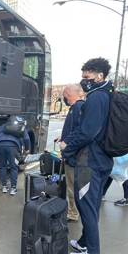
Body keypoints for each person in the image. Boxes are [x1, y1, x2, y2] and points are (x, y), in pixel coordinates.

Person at [59, 58, 114, 254]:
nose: (84, 82)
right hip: (103, 160)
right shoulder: (109, 94)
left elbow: (87, 132)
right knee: (92, 204)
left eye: (87, 77)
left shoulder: (96, 97)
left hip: (90, 162)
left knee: (86, 206)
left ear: (99, 76)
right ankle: (83, 243)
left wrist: (68, 148)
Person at [54, 83, 84, 223]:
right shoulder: (76, 108)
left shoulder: (78, 107)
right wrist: (63, 137)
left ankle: (73, 213)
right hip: (73, 154)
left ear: (67, 94)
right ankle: (73, 210)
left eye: (64, 95)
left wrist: (66, 143)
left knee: (72, 187)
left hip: (73, 155)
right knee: (72, 186)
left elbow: (80, 130)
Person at [0, 118, 30, 195]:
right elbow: (27, 138)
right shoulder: (21, 126)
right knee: (13, 167)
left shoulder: (4, 125)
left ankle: (4, 187)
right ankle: (13, 188)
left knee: (2, 166)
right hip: (12, 146)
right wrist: (27, 149)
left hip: (0, 145)